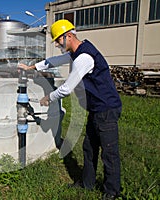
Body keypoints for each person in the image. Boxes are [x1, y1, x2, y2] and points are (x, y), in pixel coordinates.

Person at [18, 19, 122, 200]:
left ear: (68, 36)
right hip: (97, 109)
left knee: (109, 152)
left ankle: (112, 192)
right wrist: (32, 67)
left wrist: (48, 98)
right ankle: (87, 184)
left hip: (107, 108)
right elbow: (54, 61)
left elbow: (66, 88)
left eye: (58, 41)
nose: (58, 45)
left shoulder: (84, 57)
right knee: (89, 148)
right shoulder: (77, 52)